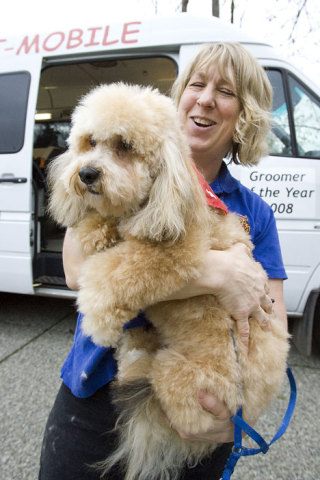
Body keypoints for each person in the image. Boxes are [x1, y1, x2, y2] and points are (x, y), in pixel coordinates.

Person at [39, 43, 287, 480]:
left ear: (243, 114)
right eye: (196, 83)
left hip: (190, 411)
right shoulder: (111, 183)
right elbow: (79, 272)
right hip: (93, 388)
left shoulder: (255, 213)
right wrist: (216, 272)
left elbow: (272, 324)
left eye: (225, 91)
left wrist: (237, 416)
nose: (206, 98)